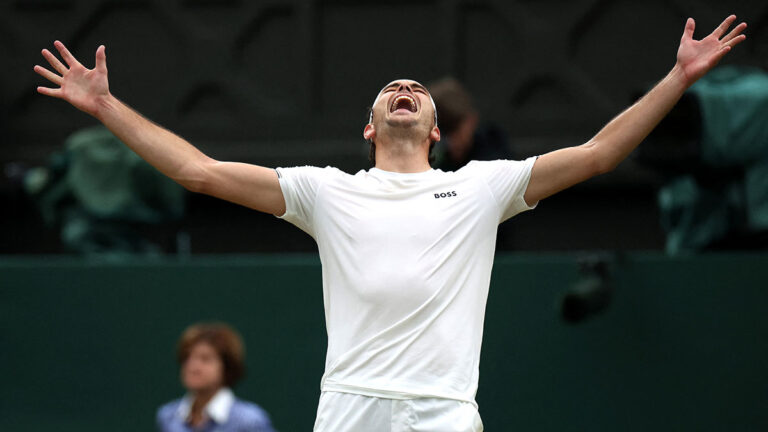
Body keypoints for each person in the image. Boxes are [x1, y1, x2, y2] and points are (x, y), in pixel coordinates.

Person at [34, 15, 746, 431]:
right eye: (389, 90)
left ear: (437, 131)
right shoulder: (325, 192)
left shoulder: (484, 187)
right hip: (350, 409)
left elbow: (597, 154)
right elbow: (198, 172)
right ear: (370, 130)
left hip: (444, 410)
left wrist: (679, 78)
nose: (404, 90)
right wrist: (105, 109)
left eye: (416, 92)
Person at [156, 322, 276, 432]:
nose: (193, 366)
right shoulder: (168, 416)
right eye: (187, 357)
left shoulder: (249, 421)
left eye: (205, 359)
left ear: (226, 367)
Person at [427, 76, 513, 172]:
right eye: (442, 131)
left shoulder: (493, 148)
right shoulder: (433, 160)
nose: (450, 141)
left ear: (471, 120)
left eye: (454, 129)